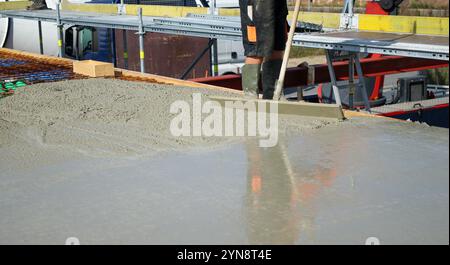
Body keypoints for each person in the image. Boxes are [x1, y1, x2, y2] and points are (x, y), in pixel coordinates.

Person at [239, 0, 288, 99]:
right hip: (255, 4)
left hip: (276, 4)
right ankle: (250, 99)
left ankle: (273, 95)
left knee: (277, 47)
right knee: (256, 51)